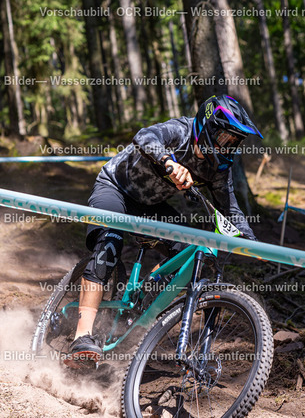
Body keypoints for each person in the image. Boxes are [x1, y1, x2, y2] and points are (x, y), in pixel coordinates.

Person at [65, 95, 262, 367]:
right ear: (208, 127)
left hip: (150, 206)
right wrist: (170, 162)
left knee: (185, 251)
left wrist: (255, 245)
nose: (229, 147)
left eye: (235, 142)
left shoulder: (217, 168)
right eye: (226, 139)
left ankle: (141, 307)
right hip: (114, 188)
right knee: (109, 245)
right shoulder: (180, 131)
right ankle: (81, 336)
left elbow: (230, 210)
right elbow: (145, 136)